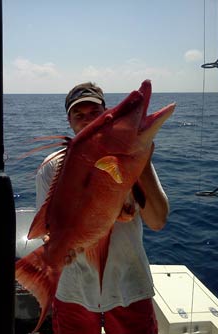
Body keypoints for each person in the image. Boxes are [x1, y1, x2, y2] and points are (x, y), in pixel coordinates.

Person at [36, 82, 169, 334]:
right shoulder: (51, 168)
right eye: (79, 115)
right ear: (69, 121)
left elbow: (158, 221)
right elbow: (49, 226)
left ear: (105, 116)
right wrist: (53, 247)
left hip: (129, 287)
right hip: (73, 291)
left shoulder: (129, 156)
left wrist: (141, 162)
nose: (86, 120)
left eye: (94, 113)